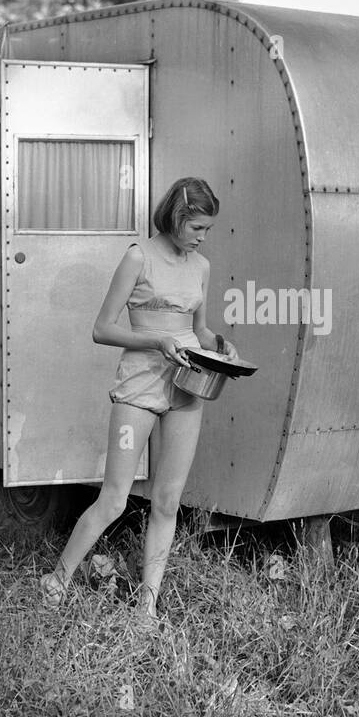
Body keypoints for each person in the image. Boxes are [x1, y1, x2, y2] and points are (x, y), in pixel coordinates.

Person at [41, 177, 239, 623]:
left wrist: (222, 345)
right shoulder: (138, 256)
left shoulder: (200, 266)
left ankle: (147, 605)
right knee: (114, 498)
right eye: (197, 228)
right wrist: (156, 341)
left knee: (168, 501)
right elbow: (102, 328)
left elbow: (201, 329)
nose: (202, 237)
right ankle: (57, 579)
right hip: (141, 383)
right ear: (175, 216)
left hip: (189, 384)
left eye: (207, 230)